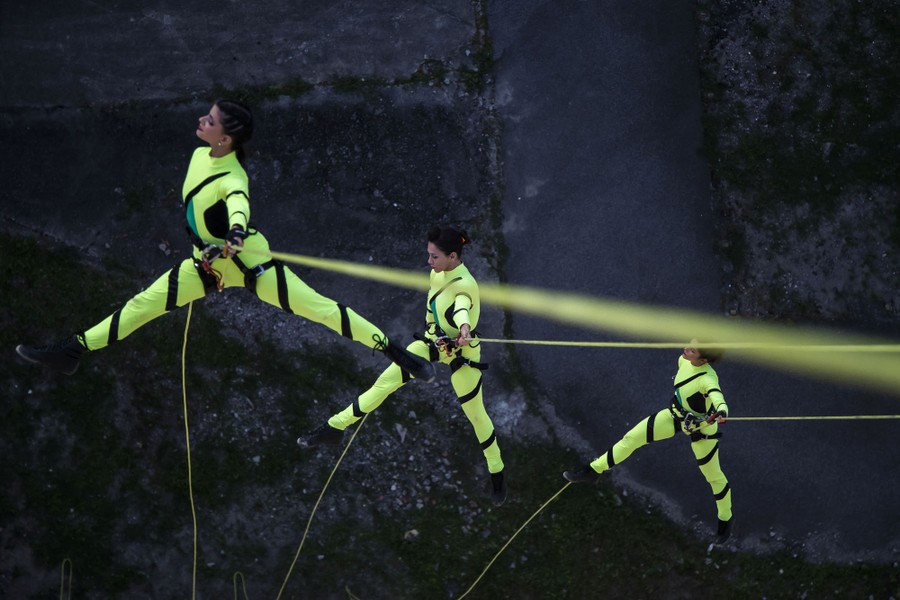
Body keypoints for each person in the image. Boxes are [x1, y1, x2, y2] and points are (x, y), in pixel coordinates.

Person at [15, 99, 435, 384]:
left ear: (225, 138)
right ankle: (72, 350)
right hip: (206, 265)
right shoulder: (202, 155)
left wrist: (235, 232)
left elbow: (239, 204)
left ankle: (395, 351)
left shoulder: (234, 177)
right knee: (140, 305)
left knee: (322, 310)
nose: (202, 119)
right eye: (208, 115)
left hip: (252, 265)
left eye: (211, 120)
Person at [297, 225, 507, 506]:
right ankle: (334, 427)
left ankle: (497, 473)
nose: (429, 262)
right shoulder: (438, 273)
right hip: (432, 343)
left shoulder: (465, 285)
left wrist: (464, 328)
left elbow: (461, 307)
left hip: (462, 351)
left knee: (476, 415)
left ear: (453, 256)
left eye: (434, 257)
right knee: (384, 383)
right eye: (429, 255)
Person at [563, 342, 733, 542]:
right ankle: (594, 471)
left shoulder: (707, 378)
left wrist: (721, 411)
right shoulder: (683, 361)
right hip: (674, 416)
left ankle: (725, 520)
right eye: (690, 344)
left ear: (703, 360)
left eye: (692, 350)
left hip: (702, 429)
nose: (686, 349)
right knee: (631, 439)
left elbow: (716, 396)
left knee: (713, 476)